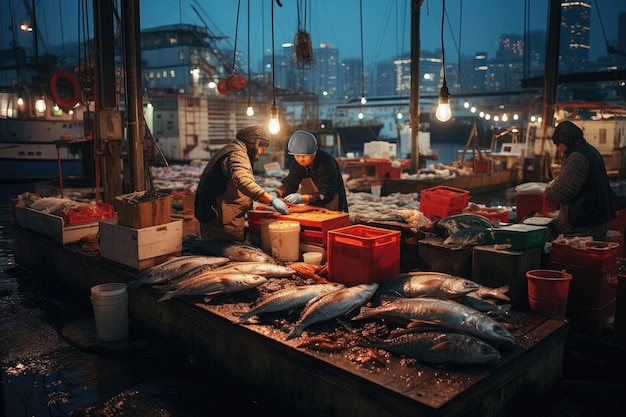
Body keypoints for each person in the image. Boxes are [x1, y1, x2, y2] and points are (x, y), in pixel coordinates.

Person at [194, 125, 289, 242]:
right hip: (221, 222)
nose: (259, 155)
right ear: (255, 144)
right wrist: (271, 200)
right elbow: (244, 182)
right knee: (228, 256)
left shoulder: (229, 149)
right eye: (261, 149)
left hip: (215, 217)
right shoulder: (237, 154)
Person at [544, 120, 615, 241]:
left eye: (559, 144)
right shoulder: (590, 151)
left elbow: (562, 193)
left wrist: (549, 189)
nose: (559, 149)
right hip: (594, 220)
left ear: (566, 140)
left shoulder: (577, 158)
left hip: (583, 226)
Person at [272, 130, 348, 212]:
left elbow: (326, 193)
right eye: (297, 156)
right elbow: (290, 184)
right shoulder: (296, 165)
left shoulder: (326, 164)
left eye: (304, 156)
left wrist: (302, 198)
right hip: (312, 207)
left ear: (314, 152)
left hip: (333, 207)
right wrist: (276, 193)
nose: (300, 159)